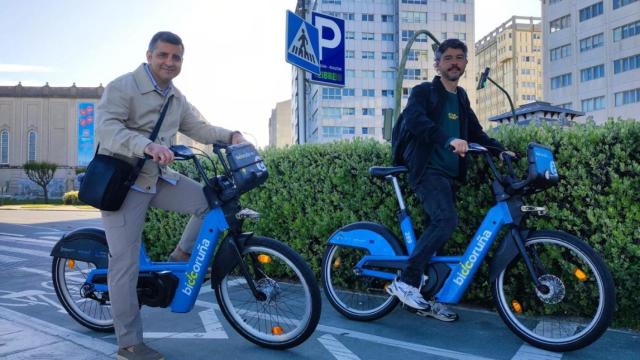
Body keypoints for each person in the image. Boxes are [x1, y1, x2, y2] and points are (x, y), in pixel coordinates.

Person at [96, 31, 245, 360]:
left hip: (156, 178)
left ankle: (180, 256)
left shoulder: (176, 98)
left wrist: (231, 135)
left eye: (176, 57)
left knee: (210, 203)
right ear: (149, 55)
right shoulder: (123, 86)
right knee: (124, 264)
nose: (169, 62)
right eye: (163, 55)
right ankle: (129, 344)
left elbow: (200, 129)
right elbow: (107, 128)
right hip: (122, 183)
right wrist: (146, 146)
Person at [386, 39, 515, 322]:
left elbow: (476, 133)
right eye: (448, 58)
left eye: (459, 57)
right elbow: (415, 121)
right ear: (438, 64)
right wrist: (448, 139)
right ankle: (406, 282)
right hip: (426, 169)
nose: (454, 62)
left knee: (441, 237)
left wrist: (499, 149)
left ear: (466, 64)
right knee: (445, 221)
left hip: (448, 175)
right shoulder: (424, 92)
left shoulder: (462, 98)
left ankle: (428, 296)